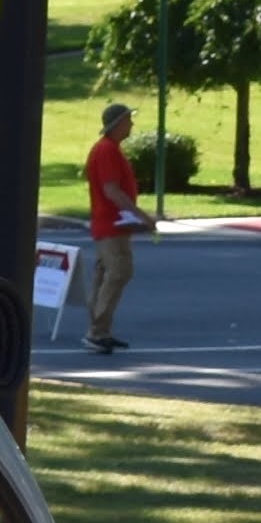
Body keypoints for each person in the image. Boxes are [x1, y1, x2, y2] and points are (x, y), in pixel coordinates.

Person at [80, 103, 153, 357]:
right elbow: (112, 190)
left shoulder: (109, 149)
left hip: (112, 224)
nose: (131, 124)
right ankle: (96, 331)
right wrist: (141, 216)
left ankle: (101, 332)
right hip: (110, 224)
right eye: (127, 120)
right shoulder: (107, 150)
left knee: (106, 275)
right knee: (119, 272)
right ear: (117, 124)